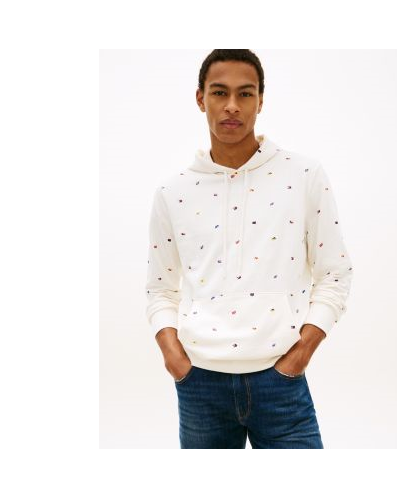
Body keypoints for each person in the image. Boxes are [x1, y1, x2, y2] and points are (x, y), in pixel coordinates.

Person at [146, 49, 353, 449]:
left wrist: (301, 354)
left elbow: (335, 273)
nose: (232, 106)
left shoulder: (303, 175)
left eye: (245, 93)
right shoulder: (173, 192)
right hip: (200, 384)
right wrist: (174, 356)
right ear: (200, 98)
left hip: (281, 381)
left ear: (261, 100)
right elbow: (160, 288)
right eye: (219, 92)